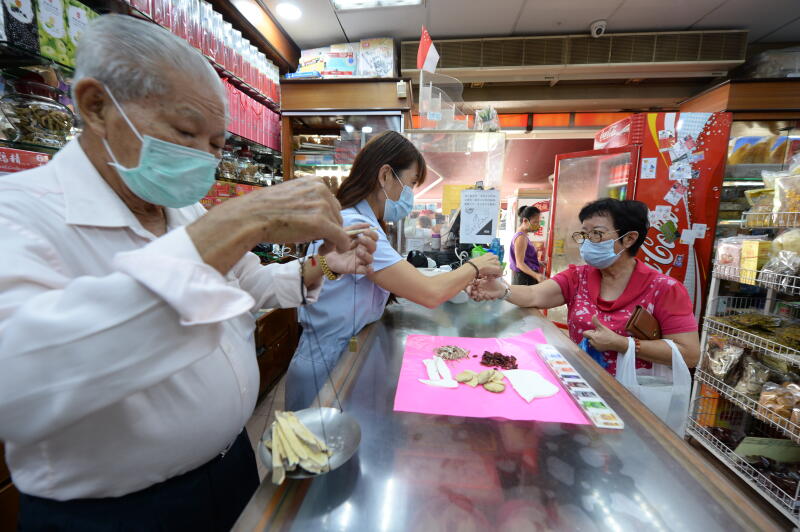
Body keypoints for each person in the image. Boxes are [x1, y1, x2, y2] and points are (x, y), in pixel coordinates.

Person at [0, 15, 378, 532]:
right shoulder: (18, 214)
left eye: (217, 146)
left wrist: (319, 266)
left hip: (232, 467)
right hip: (118, 512)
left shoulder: (181, 211)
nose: (201, 159)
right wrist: (240, 221)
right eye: (184, 133)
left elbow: (251, 283)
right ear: (95, 105)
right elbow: (19, 385)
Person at [286, 131, 501, 409]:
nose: (409, 195)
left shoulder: (364, 221)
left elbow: (408, 280)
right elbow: (429, 293)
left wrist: (458, 280)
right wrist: (475, 266)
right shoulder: (357, 226)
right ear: (386, 175)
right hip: (327, 363)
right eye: (410, 183)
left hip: (335, 353)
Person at [469, 198, 700, 375]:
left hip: (635, 396)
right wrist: (502, 290)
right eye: (585, 234)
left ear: (629, 239)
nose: (588, 241)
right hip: (582, 383)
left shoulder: (664, 289)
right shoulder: (578, 277)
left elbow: (689, 354)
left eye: (597, 234)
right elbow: (533, 294)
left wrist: (623, 344)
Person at [509, 205, 544, 285]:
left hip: (525, 276)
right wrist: (537, 276)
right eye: (535, 222)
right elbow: (520, 264)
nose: (538, 225)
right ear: (525, 221)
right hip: (524, 278)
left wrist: (537, 262)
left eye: (538, 222)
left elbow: (524, 258)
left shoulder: (523, 235)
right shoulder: (521, 237)